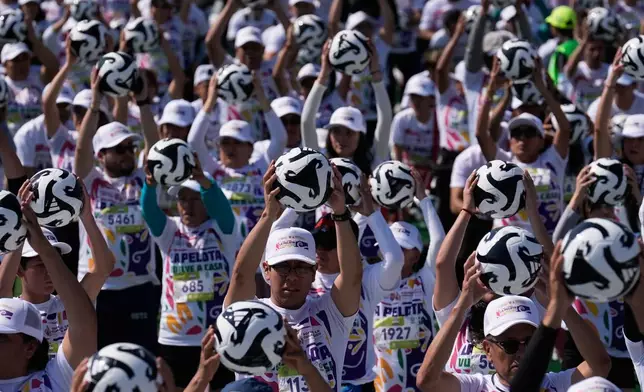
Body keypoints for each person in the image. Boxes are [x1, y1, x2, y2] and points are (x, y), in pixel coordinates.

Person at [223, 163, 363, 392]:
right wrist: (268, 215)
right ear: (266, 271)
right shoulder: (249, 314)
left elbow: (352, 277)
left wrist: (340, 213)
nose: (292, 277)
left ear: (314, 271)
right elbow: (240, 276)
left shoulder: (329, 313)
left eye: (301, 268)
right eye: (283, 268)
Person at [272, 174, 404, 391]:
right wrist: (301, 198)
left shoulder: (367, 279)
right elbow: (271, 248)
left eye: (329, 245)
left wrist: (372, 213)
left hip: (356, 385)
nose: (320, 252)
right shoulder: (299, 275)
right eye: (318, 244)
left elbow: (395, 260)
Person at [416, 244, 611, 391]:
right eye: (510, 345)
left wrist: (562, 306)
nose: (521, 352)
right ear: (487, 349)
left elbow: (600, 365)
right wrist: (462, 307)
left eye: (529, 341)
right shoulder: (476, 387)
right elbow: (426, 380)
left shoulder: (554, 384)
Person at [71, 68, 160, 352]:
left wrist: (144, 103)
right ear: (101, 156)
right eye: (118, 150)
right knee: (98, 361)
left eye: (129, 148)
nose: (127, 154)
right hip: (100, 289)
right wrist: (96, 101)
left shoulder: (142, 179)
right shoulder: (91, 181)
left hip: (141, 287)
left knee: (141, 359)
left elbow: (154, 146)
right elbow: (80, 151)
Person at [140, 159, 238, 389]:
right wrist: (150, 184)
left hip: (218, 334)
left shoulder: (224, 228)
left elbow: (221, 206)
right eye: (182, 199)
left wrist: (204, 180)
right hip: (175, 336)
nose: (188, 206)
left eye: (195, 199)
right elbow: (149, 210)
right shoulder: (170, 230)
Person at [0, 179, 114, 358]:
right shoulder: (9, 309)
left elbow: (104, 269)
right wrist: (19, 229)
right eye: (40, 265)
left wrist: (86, 216)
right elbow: (2, 288)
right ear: (20, 271)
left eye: (51, 261)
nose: (49, 271)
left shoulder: (69, 303)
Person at [0, 187, 97, 392]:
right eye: (38, 265)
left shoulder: (54, 381)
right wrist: (19, 233)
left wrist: (45, 249)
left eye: (2, 338)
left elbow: (85, 323)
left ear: (30, 348)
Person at [476, 58, 571, 235]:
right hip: (505, 238)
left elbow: (564, 129)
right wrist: (491, 89)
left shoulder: (553, 160)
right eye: (517, 134)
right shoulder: (502, 162)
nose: (522, 139)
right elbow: (481, 134)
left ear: (542, 140)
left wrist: (543, 89)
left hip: (547, 242)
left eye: (529, 133)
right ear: (509, 140)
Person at [188, 72, 287, 236]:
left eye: (237, 143)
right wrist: (211, 101)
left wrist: (261, 96)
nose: (230, 148)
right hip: (225, 245)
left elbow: (280, 138)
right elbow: (193, 141)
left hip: (260, 244)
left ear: (250, 148)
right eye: (225, 142)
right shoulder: (213, 170)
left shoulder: (263, 167)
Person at [301, 41, 392, 175]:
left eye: (349, 132)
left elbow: (385, 120)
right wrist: (323, 74)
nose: (342, 138)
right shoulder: (319, 160)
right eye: (336, 131)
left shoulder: (373, 161)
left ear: (361, 136)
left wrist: (375, 73)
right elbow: (306, 122)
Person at [2, 18, 60, 135]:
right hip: (11, 143)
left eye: (25, 58)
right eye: (16, 60)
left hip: (40, 143)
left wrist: (33, 39)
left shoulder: (39, 77)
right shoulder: (2, 85)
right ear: (5, 64)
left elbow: (54, 66)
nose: (21, 63)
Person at [560, 26, 609, 111]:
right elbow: (568, 70)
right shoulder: (579, 69)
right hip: (580, 115)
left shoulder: (609, 70)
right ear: (584, 51)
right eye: (592, 49)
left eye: (600, 49)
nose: (596, 53)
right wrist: (584, 43)